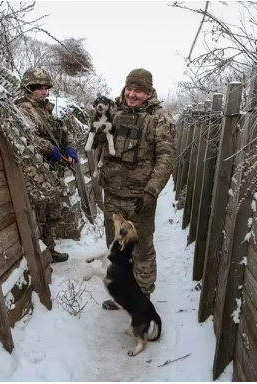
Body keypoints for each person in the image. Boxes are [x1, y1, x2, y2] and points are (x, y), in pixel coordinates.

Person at [93, 68, 175, 309]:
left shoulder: (159, 118)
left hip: (140, 199)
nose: (132, 94)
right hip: (113, 196)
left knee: (141, 251)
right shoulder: (113, 110)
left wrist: (151, 191)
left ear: (148, 92)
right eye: (129, 88)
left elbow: (166, 157)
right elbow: (96, 143)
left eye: (138, 90)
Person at [18, 68, 80, 263]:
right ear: (28, 88)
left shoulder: (46, 110)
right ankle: (39, 255)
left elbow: (63, 131)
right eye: (39, 88)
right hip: (36, 170)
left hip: (53, 169)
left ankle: (50, 250)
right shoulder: (22, 109)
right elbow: (26, 136)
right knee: (40, 213)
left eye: (46, 88)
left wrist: (70, 148)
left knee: (54, 210)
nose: (44, 92)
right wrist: (48, 148)